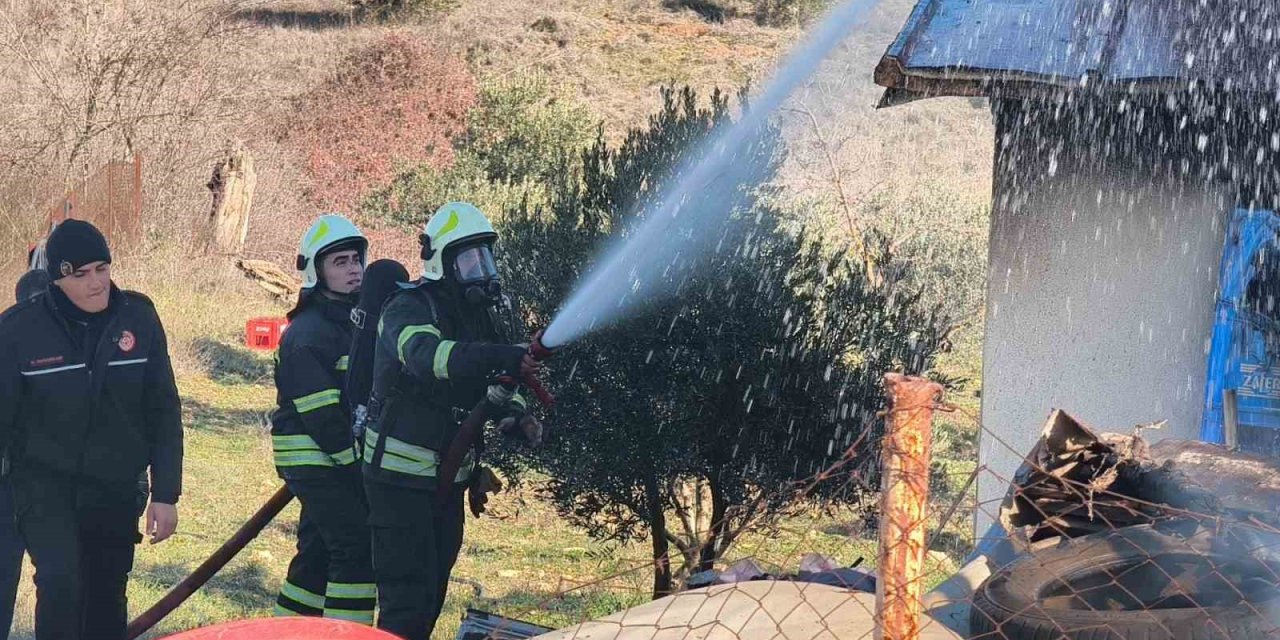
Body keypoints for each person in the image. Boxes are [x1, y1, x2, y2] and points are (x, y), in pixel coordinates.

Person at [362, 202, 543, 639]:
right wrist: (503, 355)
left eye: (485, 256)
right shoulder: (407, 307)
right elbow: (430, 359)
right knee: (407, 601)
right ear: (441, 261)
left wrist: (514, 416)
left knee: (432, 596)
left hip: (447, 480)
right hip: (399, 480)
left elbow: (495, 384)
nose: (480, 269)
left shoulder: (477, 317)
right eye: (468, 259)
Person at [0, 219, 183, 640]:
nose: (97, 282)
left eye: (103, 268)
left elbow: (163, 410)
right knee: (61, 583)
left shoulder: (139, 318)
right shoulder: (18, 330)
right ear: (57, 280)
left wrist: (166, 493)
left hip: (115, 485)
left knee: (106, 594)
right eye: (80, 274)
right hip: (44, 486)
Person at [270, 214, 375, 624]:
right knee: (354, 546)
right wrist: (357, 466)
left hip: (334, 457)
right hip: (316, 458)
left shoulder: (351, 323)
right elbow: (324, 418)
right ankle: (350, 633)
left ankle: (286, 632)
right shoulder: (308, 332)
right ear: (317, 272)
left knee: (316, 552)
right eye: (340, 262)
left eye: (356, 260)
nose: (353, 270)